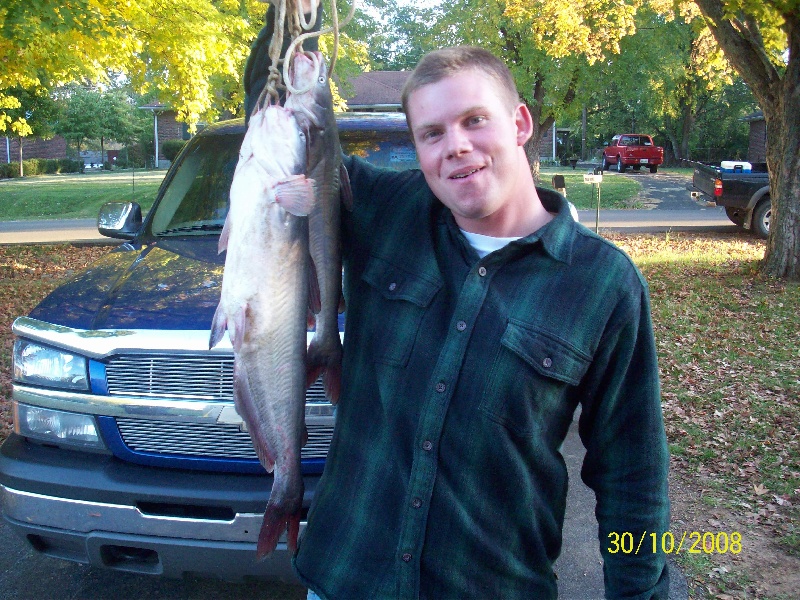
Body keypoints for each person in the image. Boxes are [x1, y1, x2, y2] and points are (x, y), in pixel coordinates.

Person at [245, 9, 671, 599]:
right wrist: (288, 19)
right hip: (346, 580)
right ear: (418, 147)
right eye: (433, 133)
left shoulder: (603, 283)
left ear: (521, 123)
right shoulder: (381, 211)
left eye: (476, 121)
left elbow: (634, 476)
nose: (457, 147)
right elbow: (281, 125)